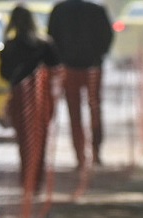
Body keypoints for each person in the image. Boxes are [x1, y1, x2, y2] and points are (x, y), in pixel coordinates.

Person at [0, 5, 60, 194]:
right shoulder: (44, 44)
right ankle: (36, 181)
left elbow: (4, 73)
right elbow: (56, 66)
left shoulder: (10, 45)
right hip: (42, 100)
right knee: (39, 139)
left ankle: (26, 179)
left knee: (24, 141)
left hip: (19, 98)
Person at [47, 0, 113, 169]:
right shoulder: (97, 9)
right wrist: (98, 55)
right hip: (92, 67)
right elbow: (107, 36)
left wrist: (61, 58)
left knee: (74, 113)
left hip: (68, 67)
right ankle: (96, 153)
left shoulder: (59, 10)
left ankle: (80, 157)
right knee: (95, 108)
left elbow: (51, 37)